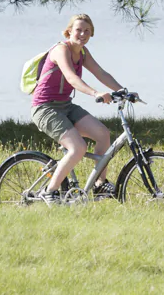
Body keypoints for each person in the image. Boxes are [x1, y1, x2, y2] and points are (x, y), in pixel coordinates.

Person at [30, 13, 125, 204]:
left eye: (87, 31)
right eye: (78, 30)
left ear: (91, 34)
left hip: (65, 105)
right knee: (78, 147)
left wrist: (123, 90)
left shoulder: (83, 52)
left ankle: (100, 184)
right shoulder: (60, 50)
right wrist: (95, 93)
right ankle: (50, 191)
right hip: (45, 108)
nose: (82, 34)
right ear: (69, 32)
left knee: (103, 134)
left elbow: (101, 73)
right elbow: (72, 78)